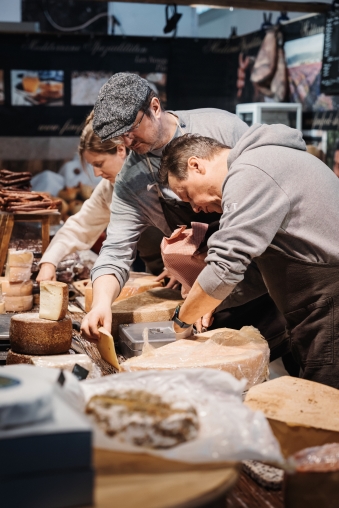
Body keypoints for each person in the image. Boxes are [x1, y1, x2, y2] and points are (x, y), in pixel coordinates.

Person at [81, 72, 287, 357]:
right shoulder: (131, 181)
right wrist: (102, 303)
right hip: (211, 292)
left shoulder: (221, 128)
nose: (127, 142)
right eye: (119, 136)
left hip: (269, 274)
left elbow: (272, 190)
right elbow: (116, 250)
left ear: (154, 107)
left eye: (131, 128)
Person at [157, 126, 339, 388]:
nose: (194, 207)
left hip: (330, 305)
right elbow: (253, 269)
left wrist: (180, 321)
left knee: (326, 410)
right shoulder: (264, 162)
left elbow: (224, 268)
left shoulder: (250, 172)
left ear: (196, 165)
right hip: (316, 307)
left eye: (187, 194)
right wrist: (209, 302)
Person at [37, 111, 164, 282]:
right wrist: (49, 262)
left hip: (196, 272)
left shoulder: (159, 174)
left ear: (121, 149)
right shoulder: (108, 189)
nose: (96, 173)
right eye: (92, 166)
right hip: (158, 275)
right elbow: (80, 226)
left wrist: (180, 263)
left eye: (99, 164)